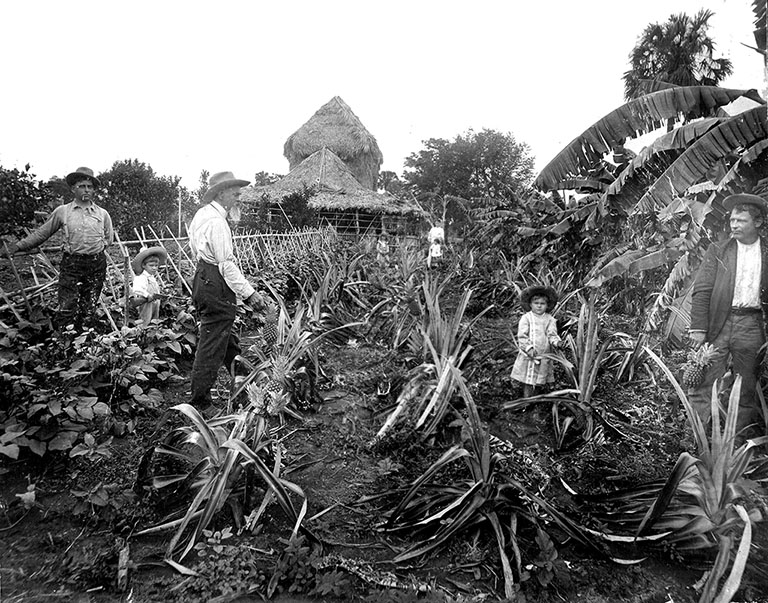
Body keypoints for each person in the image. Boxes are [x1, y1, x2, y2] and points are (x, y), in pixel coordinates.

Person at [688, 192, 768, 438]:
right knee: (704, 382)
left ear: (758, 223)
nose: (734, 225)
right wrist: (699, 328)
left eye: (741, 220)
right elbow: (701, 290)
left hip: (752, 325)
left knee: (746, 386)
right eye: (732, 220)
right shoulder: (718, 250)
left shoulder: (766, 252)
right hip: (718, 324)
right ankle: (698, 437)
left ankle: (739, 441)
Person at [188, 171, 265, 411]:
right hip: (215, 279)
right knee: (212, 342)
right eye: (235, 193)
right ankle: (200, 402)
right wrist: (250, 293)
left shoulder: (202, 215)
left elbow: (195, 249)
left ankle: (242, 379)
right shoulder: (217, 222)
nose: (238, 198)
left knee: (223, 331)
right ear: (221, 193)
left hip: (203, 275)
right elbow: (226, 264)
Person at [6, 167, 114, 331]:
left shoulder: (102, 214)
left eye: (89, 187)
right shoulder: (63, 212)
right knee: (67, 304)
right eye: (82, 186)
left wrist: (95, 249)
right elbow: (42, 233)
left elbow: (109, 239)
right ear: (73, 188)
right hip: (72, 264)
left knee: (89, 305)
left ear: (94, 190)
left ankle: (84, 343)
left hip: (96, 264)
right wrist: (19, 246)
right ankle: (64, 341)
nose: (86, 190)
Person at [511, 286, 561, 399]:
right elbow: (522, 336)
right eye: (536, 303)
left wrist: (557, 343)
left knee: (540, 379)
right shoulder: (526, 318)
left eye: (542, 303)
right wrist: (528, 348)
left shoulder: (550, 319)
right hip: (529, 354)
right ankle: (526, 401)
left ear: (547, 305)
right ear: (530, 304)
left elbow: (552, 334)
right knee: (528, 380)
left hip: (543, 355)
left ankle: (536, 400)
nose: (539, 306)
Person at [129, 246, 167, 326]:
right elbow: (137, 289)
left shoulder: (152, 277)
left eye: (156, 265)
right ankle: (141, 333)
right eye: (151, 265)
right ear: (144, 265)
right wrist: (147, 295)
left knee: (155, 320)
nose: (154, 268)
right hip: (146, 303)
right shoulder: (141, 277)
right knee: (145, 320)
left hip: (155, 302)